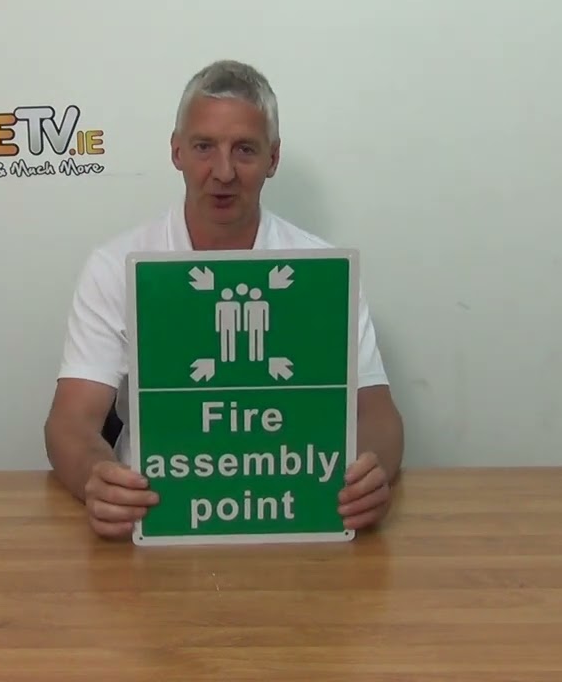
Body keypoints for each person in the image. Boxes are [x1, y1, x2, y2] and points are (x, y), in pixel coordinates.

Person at [43, 59, 404, 539]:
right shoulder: (114, 267)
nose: (224, 171)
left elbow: (377, 412)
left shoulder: (322, 269)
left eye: (245, 150)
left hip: (294, 510)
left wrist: (371, 471)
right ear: (176, 151)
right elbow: (70, 421)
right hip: (157, 513)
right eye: (204, 147)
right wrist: (97, 478)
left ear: (273, 158)